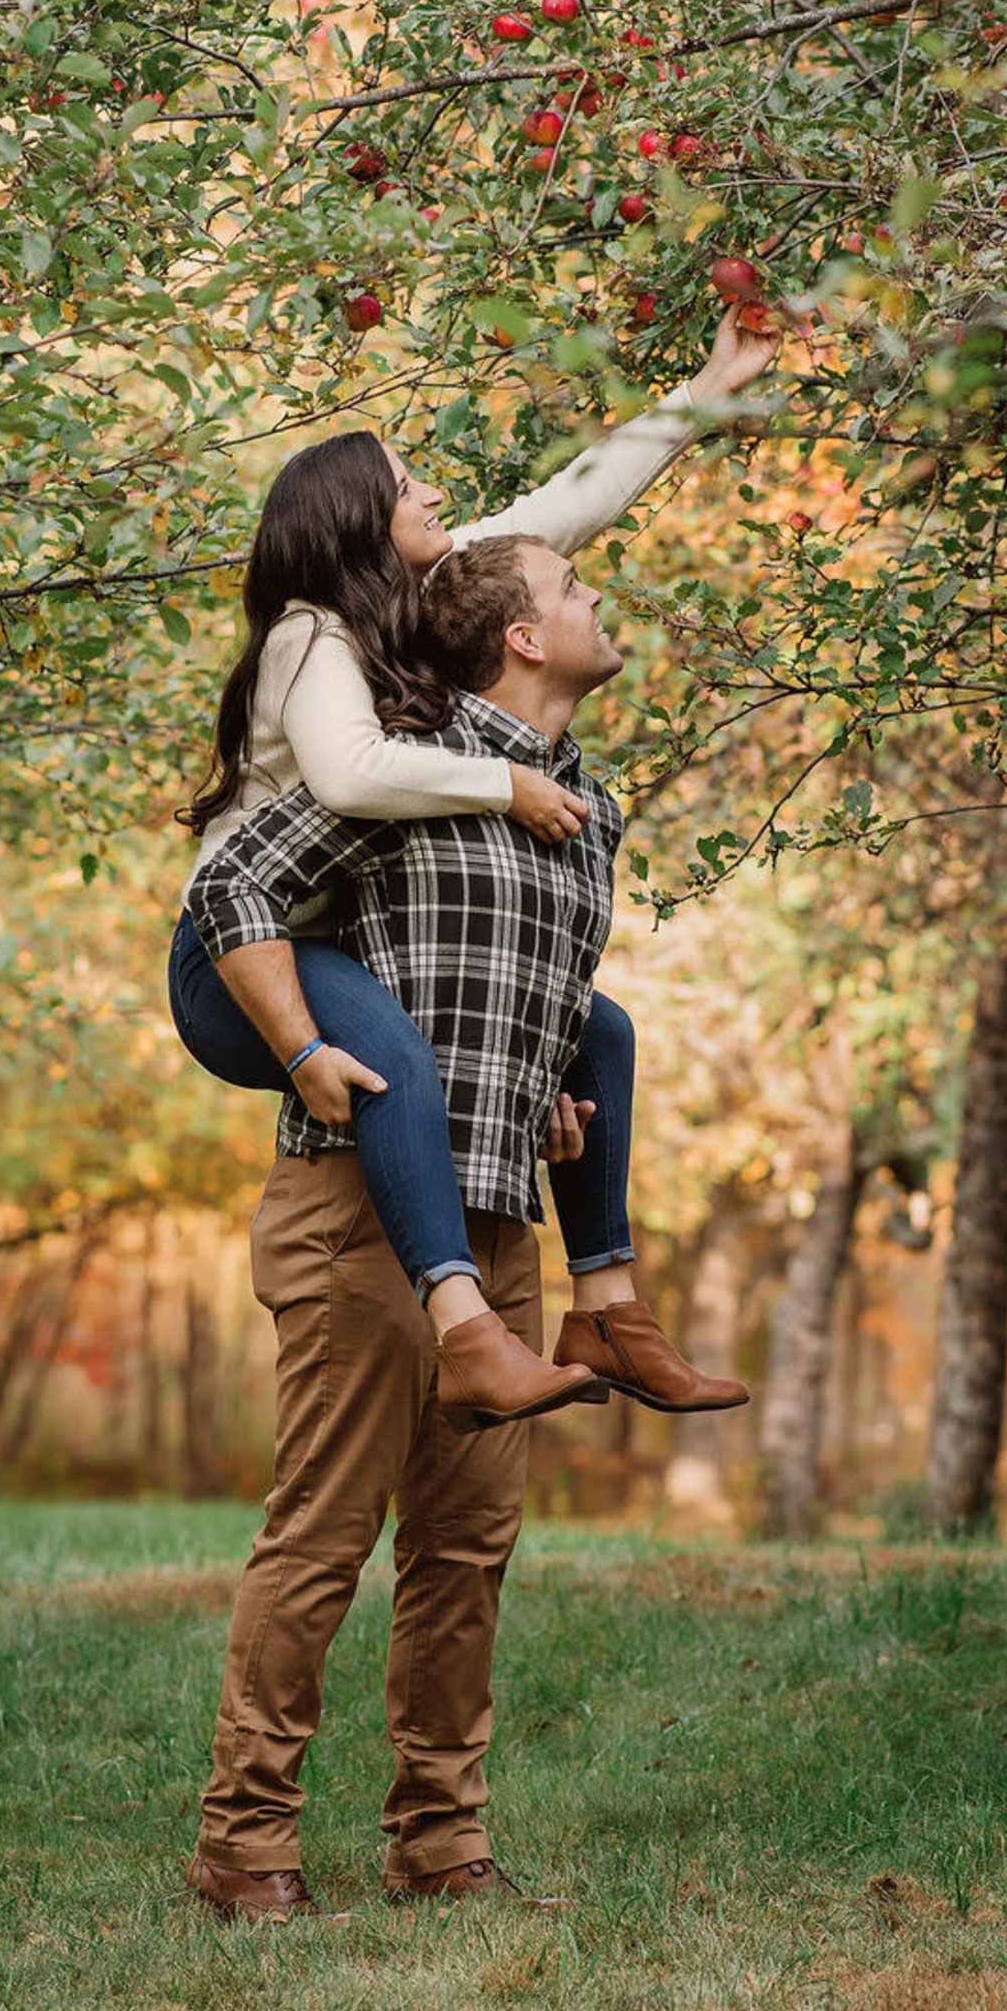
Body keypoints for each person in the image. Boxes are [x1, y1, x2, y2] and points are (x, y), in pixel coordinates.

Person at [178, 533, 686, 1917]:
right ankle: (244, 1846)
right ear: (521, 636)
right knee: (325, 1530)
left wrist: (546, 1097)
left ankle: (441, 1843)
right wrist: (296, 1046)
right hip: (355, 1214)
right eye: (574, 590)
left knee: (467, 1544)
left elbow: (514, 996)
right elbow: (229, 891)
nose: (598, 602)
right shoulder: (407, 767)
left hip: (492, 1221)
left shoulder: (591, 805)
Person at [166, 313, 773, 1423]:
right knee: (393, 1053)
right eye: (411, 487)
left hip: (338, 949)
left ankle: (607, 1305)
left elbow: (572, 503)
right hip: (239, 956)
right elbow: (349, 776)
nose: (435, 495)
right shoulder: (312, 636)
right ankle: (466, 1333)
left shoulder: (403, 612)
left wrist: (713, 382)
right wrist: (509, 785)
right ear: (360, 520)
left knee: (600, 1030)